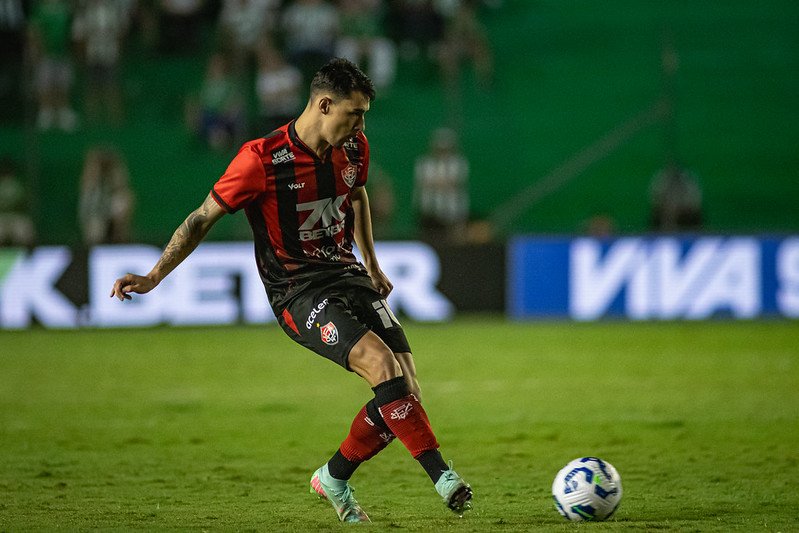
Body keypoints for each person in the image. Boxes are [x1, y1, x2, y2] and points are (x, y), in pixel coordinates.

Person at [110, 58, 473, 523]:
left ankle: (333, 478)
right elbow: (202, 217)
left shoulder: (355, 146)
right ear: (324, 104)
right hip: (297, 291)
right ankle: (443, 477)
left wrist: (372, 263)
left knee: (404, 392)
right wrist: (154, 276)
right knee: (382, 367)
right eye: (354, 113)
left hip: (347, 273)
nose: (361, 124)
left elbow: (356, 194)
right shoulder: (260, 159)